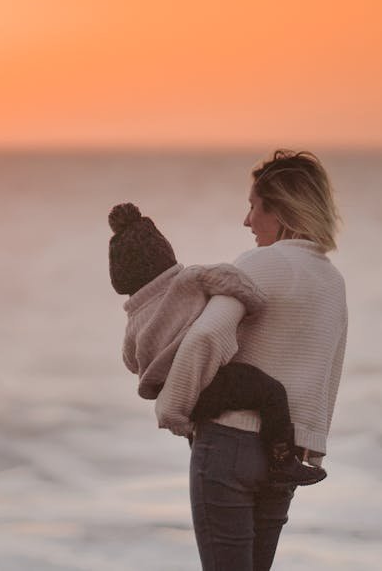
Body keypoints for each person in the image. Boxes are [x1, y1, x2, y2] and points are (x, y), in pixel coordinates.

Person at [155, 150, 349, 571]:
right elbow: (328, 374)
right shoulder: (332, 281)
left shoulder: (261, 262)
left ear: (279, 209)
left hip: (230, 446)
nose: (247, 221)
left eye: (253, 206)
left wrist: (174, 409)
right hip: (284, 457)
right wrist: (312, 450)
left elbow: (207, 333)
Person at [110, 203, 325, 487]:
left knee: (201, 439)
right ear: (165, 253)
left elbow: (131, 361)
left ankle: (205, 461)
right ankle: (281, 460)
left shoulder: (133, 323)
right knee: (271, 393)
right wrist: (254, 303)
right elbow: (228, 277)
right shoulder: (188, 280)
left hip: (175, 393)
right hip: (211, 380)